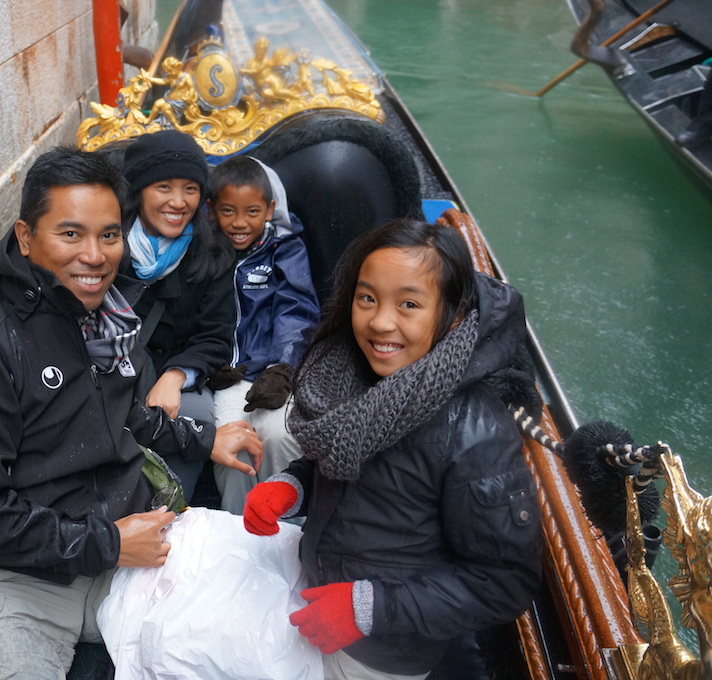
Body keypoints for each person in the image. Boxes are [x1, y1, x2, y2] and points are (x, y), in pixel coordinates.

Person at [0, 147, 262, 680]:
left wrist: (202, 440)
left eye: (109, 235)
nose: (95, 256)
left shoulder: (107, 325)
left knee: (256, 630)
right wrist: (110, 543)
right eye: (70, 234)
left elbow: (126, 419)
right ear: (27, 239)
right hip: (12, 580)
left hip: (123, 551)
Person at [242, 219, 542, 679]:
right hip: (315, 591)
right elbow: (344, 461)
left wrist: (367, 609)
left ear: (453, 313)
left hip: (381, 652)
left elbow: (504, 582)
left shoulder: (475, 435)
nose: (381, 322)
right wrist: (292, 486)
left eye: (408, 304)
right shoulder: (352, 372)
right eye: (368, 298)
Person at [116, 129, 238, 502]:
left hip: (173, 377)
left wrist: (175, 375)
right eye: (164, 187)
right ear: (139, 190)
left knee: (195, 414)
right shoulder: (107, 243)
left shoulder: (212, 252)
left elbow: (216, 336)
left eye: (190, 188)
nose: (178, 201)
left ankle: (170, 515)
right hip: (110, 371)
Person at [207, 155, 320, 514]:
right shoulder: (204, 253)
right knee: (235, 446)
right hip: (226, 378)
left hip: (274, 374)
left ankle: (283, 528)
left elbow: (296, 312)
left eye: (251, 212)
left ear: (270, 209)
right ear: (212, 210)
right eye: (228, 212)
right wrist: (212, 364)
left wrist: (282, 369)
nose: (240, 223)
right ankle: (237, 533)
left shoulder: (284, 250)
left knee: (281, 435)